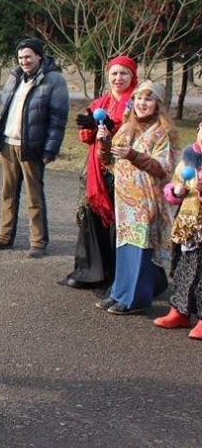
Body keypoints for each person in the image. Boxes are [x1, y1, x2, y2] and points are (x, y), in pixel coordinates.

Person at [96, 80, 176, 315]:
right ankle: (119, 292)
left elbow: (163, 167)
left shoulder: (162, 132)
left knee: (140, 249)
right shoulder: (127, 127)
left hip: (145, 201)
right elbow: (108, 160)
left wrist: (132, 155)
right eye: (139, 98)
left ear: (157, 104)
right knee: (125, 247)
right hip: (125, 201)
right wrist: (104, 140)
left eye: (148, 99)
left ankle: (136, 299)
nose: (142, 103)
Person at [0, 38, 69, 258]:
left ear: (39, 56)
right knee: (7, 193)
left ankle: (38, 242)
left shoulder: (54, 80)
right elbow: (5, 110)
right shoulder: (15, 77)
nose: (24, 61)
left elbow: (58, 119)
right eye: (21, 57)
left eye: (28, 56)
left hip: (32, 147)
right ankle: (3, 237)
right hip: (8, 144)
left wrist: (50, 149)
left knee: (34, 196)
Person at [61, 56, 137, 289]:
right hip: (96, 170)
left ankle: (120, 277)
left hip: (125, 170)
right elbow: (85, 138)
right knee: (92, 218)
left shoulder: (138, 101)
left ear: (133, 76)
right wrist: (91, 127)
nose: (118, 78)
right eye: (114, 74)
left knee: (121, 223)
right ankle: (90, 271)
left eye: (124, 73)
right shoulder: (99, 103)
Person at [157, 120, 202, 339]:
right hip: (188, 226)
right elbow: (172, 187)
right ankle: (180, 311)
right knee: (184, 270)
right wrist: (177, 191)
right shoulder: (187, 159)